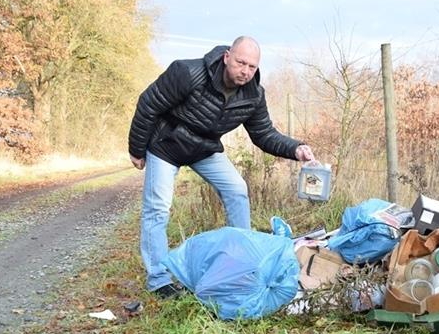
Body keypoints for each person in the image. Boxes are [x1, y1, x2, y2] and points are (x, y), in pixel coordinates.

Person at [128, 36, 315, 298]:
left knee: (237, 189)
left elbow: (263, 134)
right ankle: (159, 280)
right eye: (241, 63)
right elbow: (148, 104)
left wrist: (296, 148)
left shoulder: (253, 95)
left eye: (252, 67)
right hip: (165, 145)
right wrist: (137, 149)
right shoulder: (187, 73)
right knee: (157, 208)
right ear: (227, 57)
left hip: (204, 149)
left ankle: (243, 265)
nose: (245, 71)